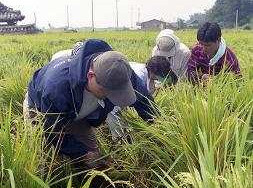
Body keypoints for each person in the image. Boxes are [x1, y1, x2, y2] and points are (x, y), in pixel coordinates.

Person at [25, 39, 157, 168]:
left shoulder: (117, 71)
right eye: (108, 92)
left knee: (93, 154)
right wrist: (82, 153)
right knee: (43, 160)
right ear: (91, 75)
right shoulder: (57, 88)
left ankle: (90, 181)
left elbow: (144, 100)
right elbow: (52, 132)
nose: (110, 98)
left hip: (78, 112)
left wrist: (158, 127)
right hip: (41, 111)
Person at [106, 56, 177, 139]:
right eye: (159, 76)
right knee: (120, 132)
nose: (159, 79)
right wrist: (153, 119)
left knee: (125, 125)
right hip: (113, 102)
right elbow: (140, 102)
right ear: (153, 72)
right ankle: (120, 146)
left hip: (122, 97)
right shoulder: (139, 74)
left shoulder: (147, 72)